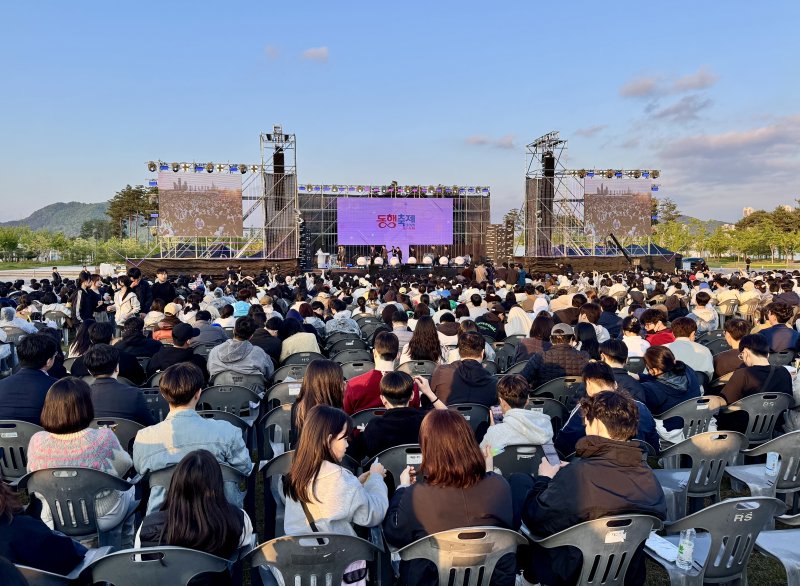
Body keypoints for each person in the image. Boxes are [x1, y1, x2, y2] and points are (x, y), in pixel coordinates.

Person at [511, 391, 666, 586]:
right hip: (627, 573)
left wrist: (545, 478)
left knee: (521, 486)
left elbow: (535, 517)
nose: (585, 429)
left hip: (570, 572)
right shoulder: (648, 476)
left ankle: (526, 576)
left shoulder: (579, 476)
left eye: (586, 424)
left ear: (598, 425)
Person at [384, 409, 515, 586]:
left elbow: (393, 535)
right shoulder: (500, 486)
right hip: (492, 580)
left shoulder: (415, 496)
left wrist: (402, 488)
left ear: (428, 447)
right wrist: (489, 472)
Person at [283, 405, 388, 586]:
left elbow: (325, 498)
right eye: (344, 438)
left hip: (300, 569)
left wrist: (357, 482)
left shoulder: (296, 472)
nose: (348, 444)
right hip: (336, 567)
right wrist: (376, 478)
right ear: (328, 439)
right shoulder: (340, 477)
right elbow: (372, 514)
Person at [27, 378, 136, 545]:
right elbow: (125, 465)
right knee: (131, 488)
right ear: (86, 406)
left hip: (54, 516)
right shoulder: (103, 438)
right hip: (102, 516)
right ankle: (126, 546)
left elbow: (33, 478)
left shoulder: (37, 441)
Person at [133, 363, 253, 514]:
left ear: (163, 395)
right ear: (198, 393)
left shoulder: (146, 437)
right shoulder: (227, 431)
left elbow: (141, 473)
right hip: (220, 519)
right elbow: (245, 468)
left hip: (165, 524)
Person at [136, 450, 253, 572]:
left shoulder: (147, 526)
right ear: (217, 485)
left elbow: (140, 565)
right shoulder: (239, 520)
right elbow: (242, 550)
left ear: (176, 484)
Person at [554, 362, 659, 456]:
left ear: (589, 386)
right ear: (615, 384)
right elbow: (654, 448)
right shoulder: (641, 407)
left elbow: (562, 446)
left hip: (593, 470)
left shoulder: (583, 410)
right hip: (637, 466)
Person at [0, 480, 89, 575]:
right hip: (86, 520)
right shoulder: (26, 529)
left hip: (46, 518)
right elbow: (69, 558)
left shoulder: (33, 464)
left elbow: (23, 482)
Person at [352, 372, 446, 461]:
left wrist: (364, 433)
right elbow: (452, 421)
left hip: (387, 477)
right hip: (426, 476)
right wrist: (429, 392)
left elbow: (354, 456)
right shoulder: (428, 420)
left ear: (383, 399)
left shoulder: (374, 426)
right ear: (412, 395)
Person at [717, 334, 793, 433]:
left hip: (743, 431)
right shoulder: (784, 372)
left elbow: (725, 402)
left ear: (746, 352)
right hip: (773, 428)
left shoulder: (743, 374)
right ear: (768, 354)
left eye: (742, 355)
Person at [344, 332, 421, 414]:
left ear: (374, 353)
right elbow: (414, 413)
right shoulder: (410, 385)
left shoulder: (353, 385)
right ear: (398, 355)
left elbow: (348, 416)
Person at [639, 346, 702, 440]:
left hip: (671, 433)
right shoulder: (687, 370)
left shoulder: (651, 389)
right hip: (697, 424)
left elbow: (644, 412)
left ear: (653, 370)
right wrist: (641, 376)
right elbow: (664, 378)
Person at [479, 374, 554, 452]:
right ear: (528, 400)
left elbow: (485, 456)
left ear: (501, 401)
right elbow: (552, 459)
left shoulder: (495, 432)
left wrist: (493, 429)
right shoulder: (545, 427)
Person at [84, 344, 155, 426]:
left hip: (92, 439)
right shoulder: (135, 394)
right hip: (127, 438)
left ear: (89, 371)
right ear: (117, 368)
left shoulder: (80, 397)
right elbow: (150, 425)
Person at [0, 334, 59, 425]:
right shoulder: (57, 387)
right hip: (42, 437)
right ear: (48, 361)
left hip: (3, 438)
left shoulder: (1, 384)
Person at [430, 331, 497, 409]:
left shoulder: (441, 372)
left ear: (459, 352)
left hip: (445, 419)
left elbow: (428, 401)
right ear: (482, 353)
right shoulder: (493, 382)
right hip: (479, 421)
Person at [70, 322, 146, 385]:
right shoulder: (128, 359)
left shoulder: (78, 363)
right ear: (112, 337)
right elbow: (140, 381)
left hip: (88, 400)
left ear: (91, 340)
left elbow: (74, 385)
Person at [520, 323, 590, 389]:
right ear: (572, 338)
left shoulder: (540, 357)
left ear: (551, 339)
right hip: (576, 400)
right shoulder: (584, 356)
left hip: (545, 400)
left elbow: (522, 380)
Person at [292, 359, 346, 444]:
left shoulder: (298, 407)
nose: (344, 383)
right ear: (330, 384)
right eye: (340, 380)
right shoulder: (336, 413)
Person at [207, 316, 273, 381]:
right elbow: (269, 375)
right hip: (253, 391)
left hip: (219, 390)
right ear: (251, 336)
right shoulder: (260, 354)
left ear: (233, 331)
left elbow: (210, 372)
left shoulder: (214, 351)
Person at [664, 317, 715, 382]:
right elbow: (709, 374)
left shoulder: (662, 349)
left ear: (673, 334)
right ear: (693, 333)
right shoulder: (704, 350)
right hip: (698, 389)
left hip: (667, 389)